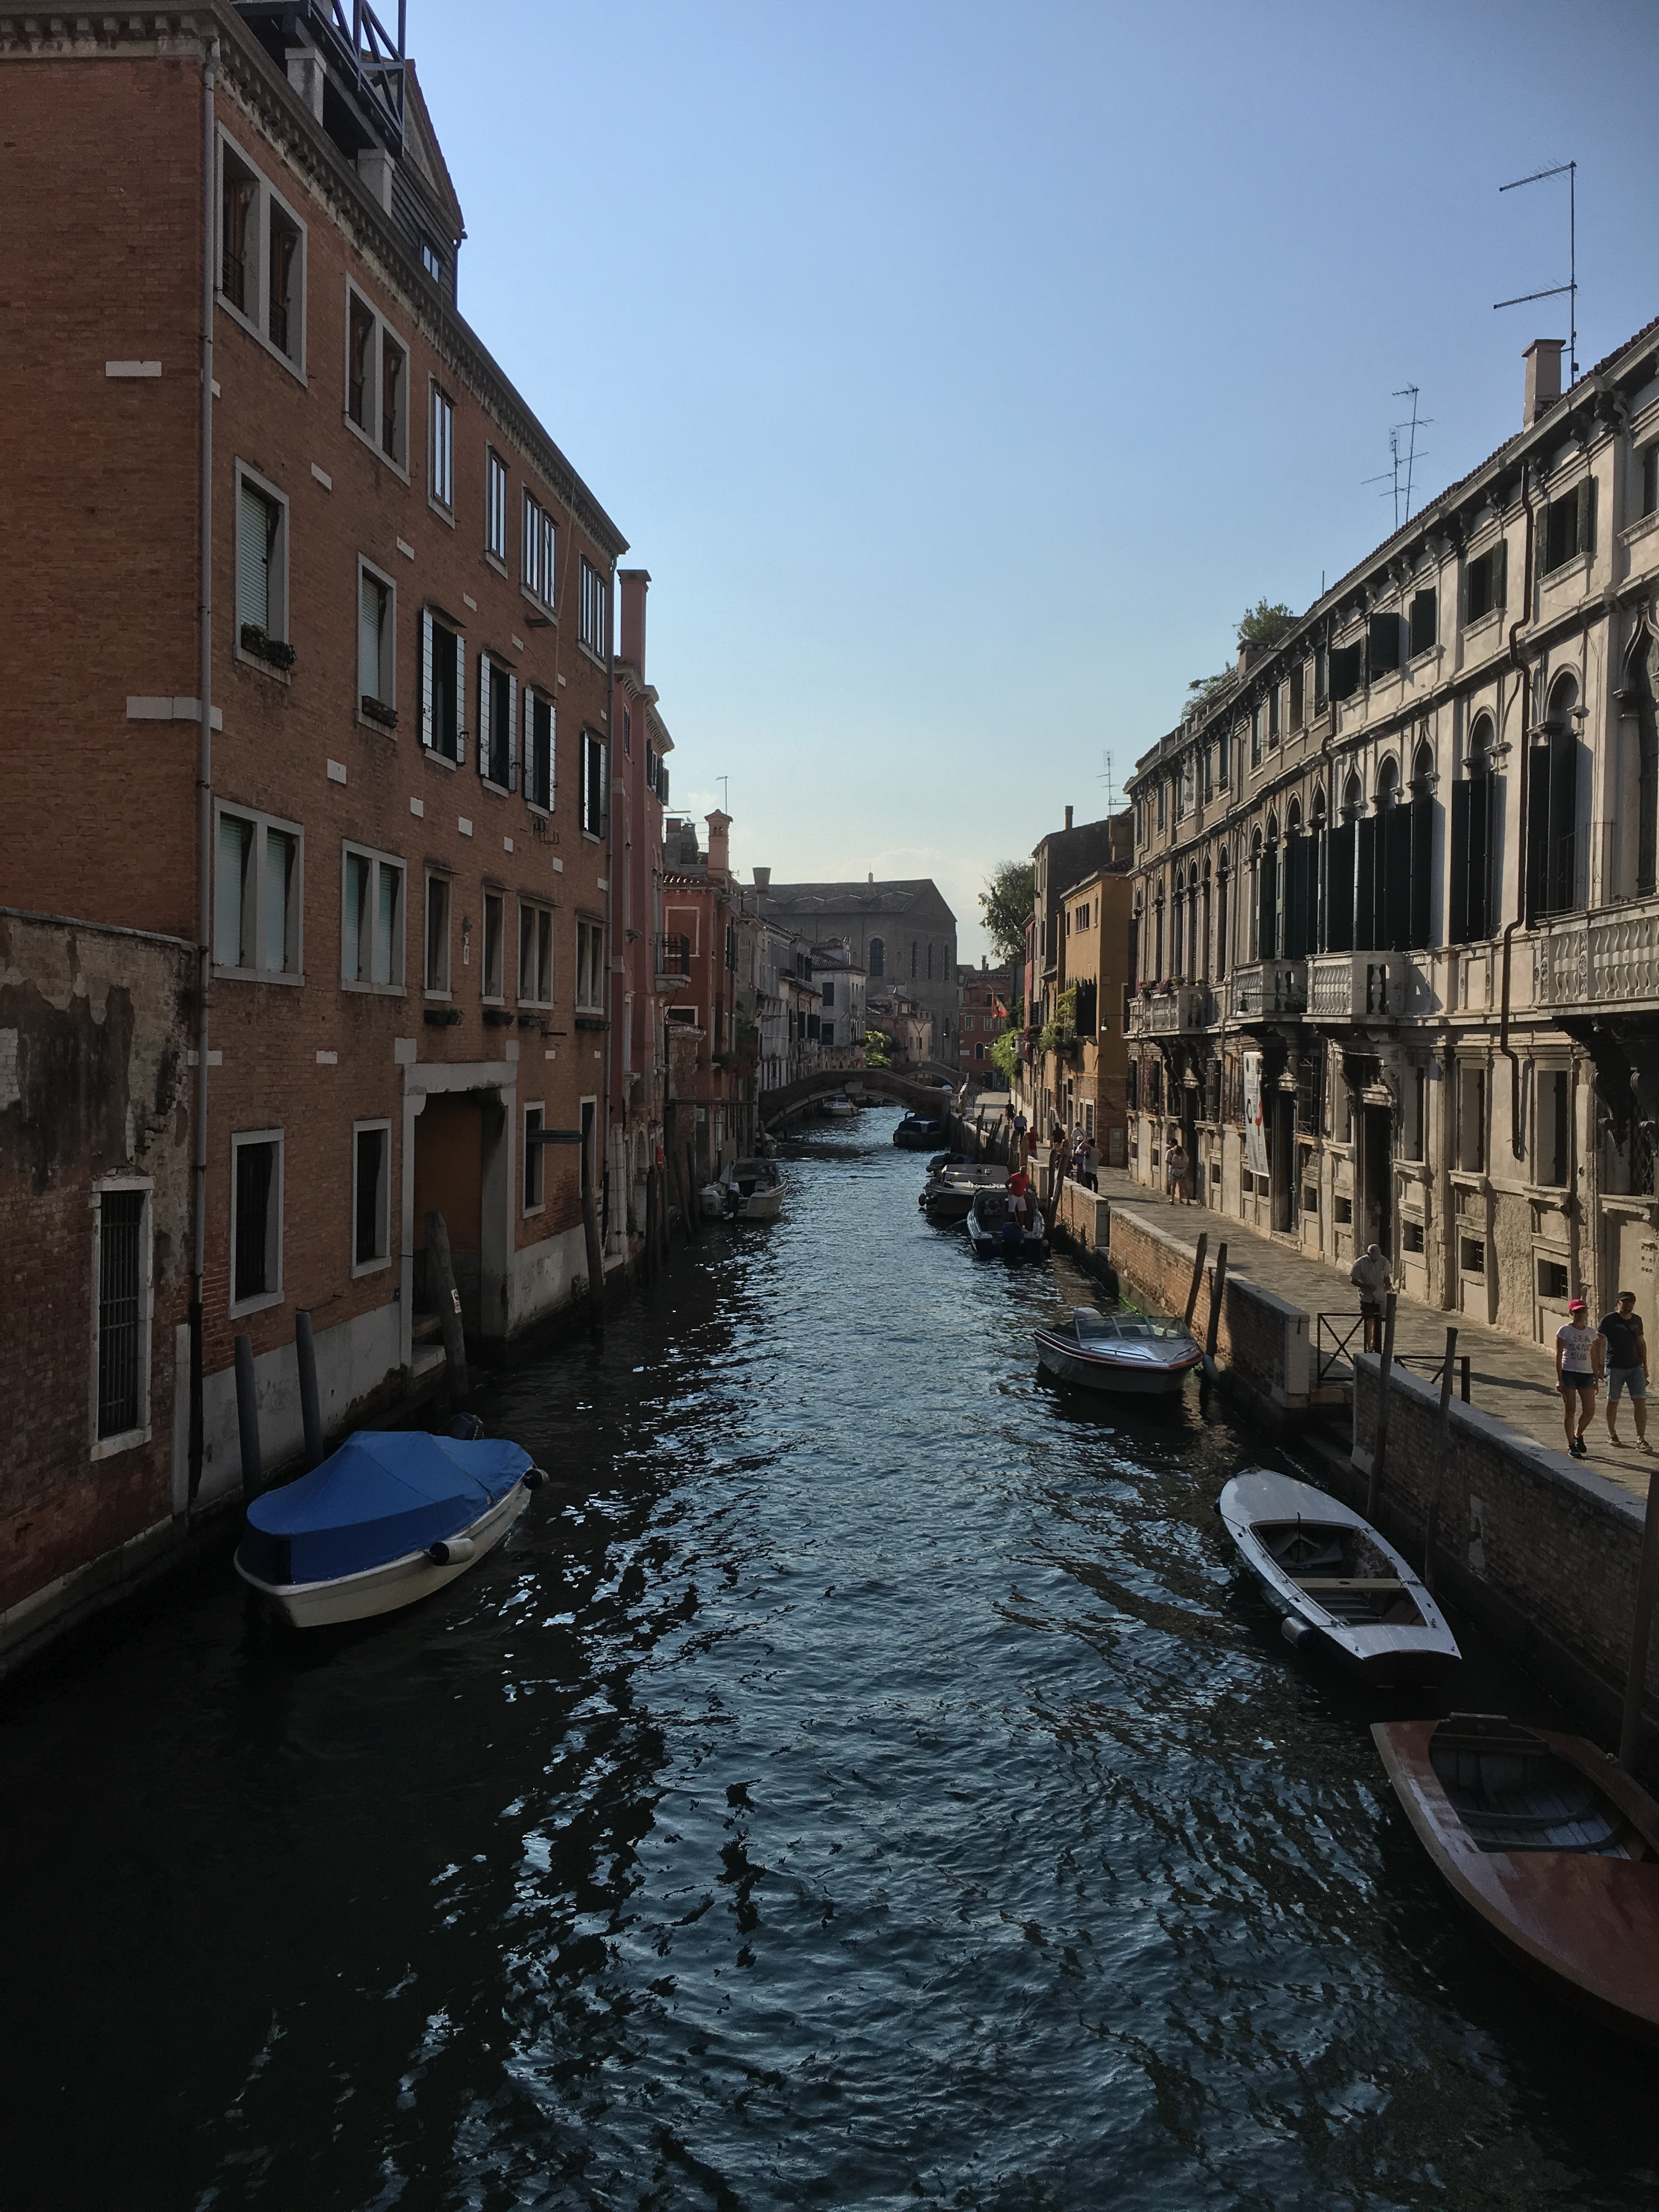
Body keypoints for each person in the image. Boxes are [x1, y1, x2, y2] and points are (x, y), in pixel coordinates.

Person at [1600, 1290, 1653, 1452]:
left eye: (1631, 1301)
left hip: (1635, 1366)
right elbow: (1599, 1341)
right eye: (1625, 1301)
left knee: (1640, 1401)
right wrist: (1597, 1366)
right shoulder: (1609, 1320)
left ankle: (1641, 1439)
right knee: (1613, 1401)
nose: (1629, 1304)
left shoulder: (1637, 1320)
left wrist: (1645, 1366)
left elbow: (1641, 1342)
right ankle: (1612, 1433)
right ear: (1618, 1302)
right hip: (1615, 1366)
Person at [1556, 1296, 1603, 1460]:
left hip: (1586, 1374)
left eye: (1583, 1311)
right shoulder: (1565, 1331)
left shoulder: (1591, 1334)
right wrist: (1559, 1378)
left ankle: (1578, 1434)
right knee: (1571, 1410)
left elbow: (1594, 1356)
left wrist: (1596, 1378)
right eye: (1577, 1312)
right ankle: (1571, 1445)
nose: (1581, 1314)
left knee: (1590, 1410)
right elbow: (1558, 1356)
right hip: (1569, 1371)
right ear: (1571, 1313)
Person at [1349, 1243, 1391, 1353]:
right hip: (1367, 1297)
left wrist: (1388, 1284)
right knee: (1369, 1321)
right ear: (1368, 1255)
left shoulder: (1383, 1261)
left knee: (1379, 1321)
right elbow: (1354, 1280)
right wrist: (1366, 1286)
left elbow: (1387, 1276)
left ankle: (1375, 1344)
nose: (1375, 1261)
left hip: (1380, 1296)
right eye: (1373, 1259)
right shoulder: (1360, 1263)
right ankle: (1369, 1346)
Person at [1166, 1136, 1188, 1205]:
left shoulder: (1175, 1157)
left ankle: (1172, 1200)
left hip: (1175, 1171)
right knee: (1184, 1186)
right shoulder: (1184, 1155)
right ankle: (1187, 1200)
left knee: (1174, 1186)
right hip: (1182, 1171)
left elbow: (1172, 1164)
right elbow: (1187, 1162)